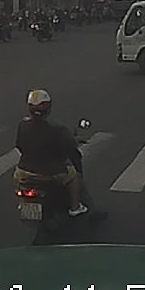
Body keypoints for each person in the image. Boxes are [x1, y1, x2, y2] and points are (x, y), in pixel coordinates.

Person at [13, 89, 88, 217]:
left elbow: (19, 145)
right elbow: (70, 147)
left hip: (24, 171)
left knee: (20, 182)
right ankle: (75, 207)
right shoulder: (58, 128)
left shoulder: (23, 124)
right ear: (48, 108)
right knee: (74, 177)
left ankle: (24, 204)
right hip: (51, 173)